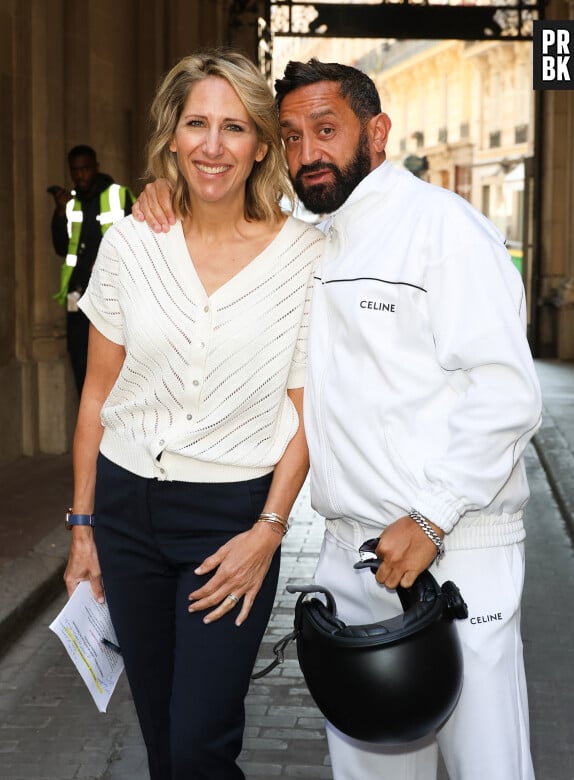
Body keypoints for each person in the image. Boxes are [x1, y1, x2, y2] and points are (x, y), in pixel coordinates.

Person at [133, 58, 542, 780]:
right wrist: (166, 194)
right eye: (289, 137)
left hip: (455, 552)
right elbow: (226, 222)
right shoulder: (308, 238)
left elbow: (507, 392)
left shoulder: (441, 230)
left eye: (326, 130)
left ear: (376, 132)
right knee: (367, 768)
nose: (306, 154)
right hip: (353, 554)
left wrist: (433, 518)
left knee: (488, 767)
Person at [63, 50, 323, 780]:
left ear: (261, 144)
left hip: (230, 519)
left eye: (234, 127)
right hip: (124, 512)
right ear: (171, 136)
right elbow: (96, 397)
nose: (214, 145)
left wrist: (268, 532)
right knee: (162, 741)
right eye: (197, 123)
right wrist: (82, 527)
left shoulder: (305, 257)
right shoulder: (129, 245)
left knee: (200, 744)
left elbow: (309, 417)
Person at [49, 145, 135, 395]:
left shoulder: (119, 196)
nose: (80, 176)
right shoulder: (70, 204)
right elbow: (61, 247)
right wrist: (59, 213)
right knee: (80, 361)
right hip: (77, 297)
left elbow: (137, 239)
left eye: (85, 169)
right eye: (75, 171)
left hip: (113, 294)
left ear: (96, 167)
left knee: (115, 362)